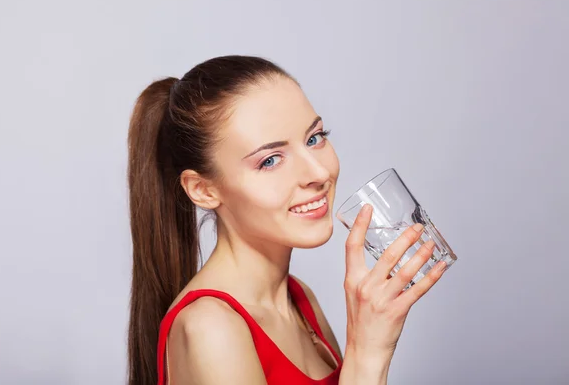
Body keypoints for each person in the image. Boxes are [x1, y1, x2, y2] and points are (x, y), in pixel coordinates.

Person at [126, 55, 447, 385]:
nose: (319, 173)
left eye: (314, 138)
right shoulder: (210, 328)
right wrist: (368, 353)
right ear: (203, 190)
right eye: (270, 160)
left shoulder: (299, 298)